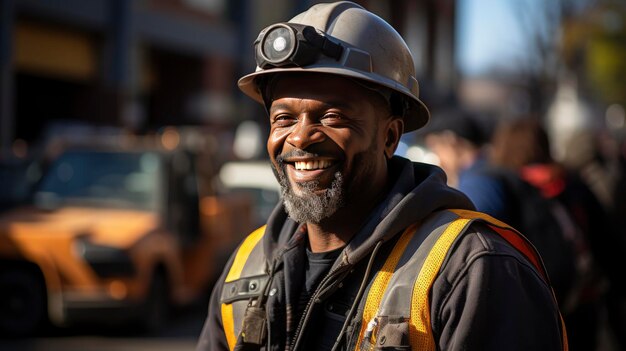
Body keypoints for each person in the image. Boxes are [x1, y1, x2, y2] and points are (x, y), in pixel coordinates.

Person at [197, 2, 566, 350]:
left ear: (389, 136)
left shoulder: (472, 270)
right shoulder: (246, 267)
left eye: (332, 117)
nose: (300, 137)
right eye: (283, 119)